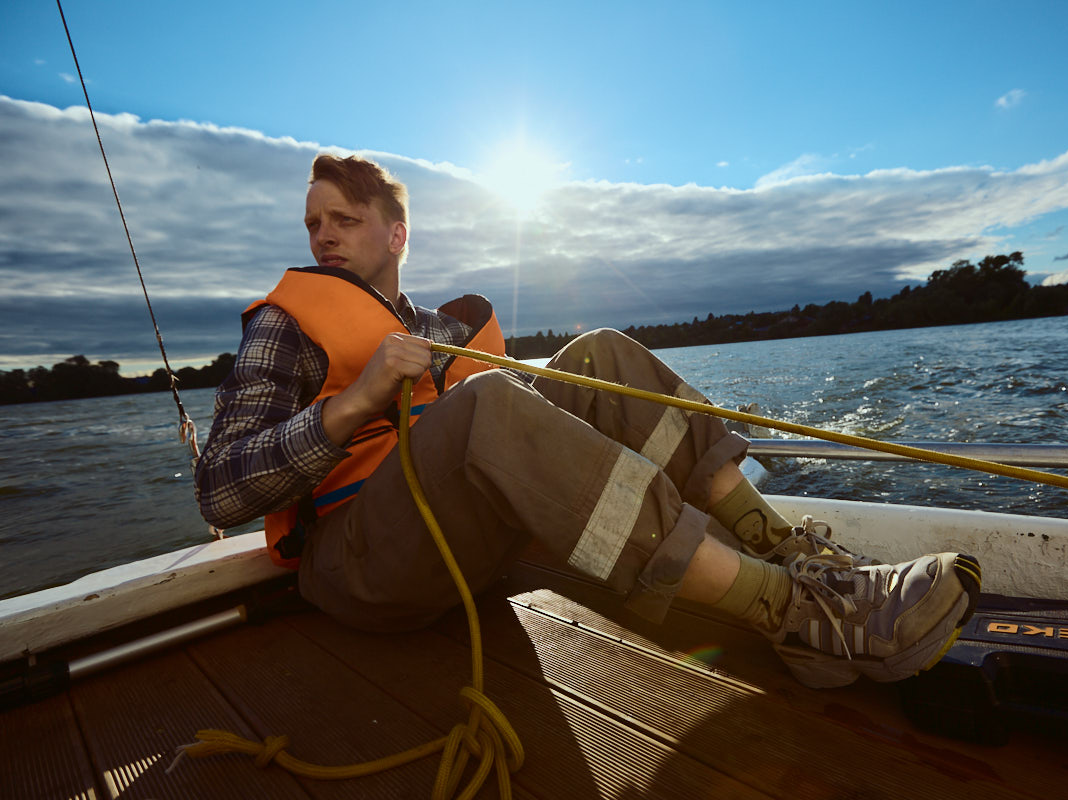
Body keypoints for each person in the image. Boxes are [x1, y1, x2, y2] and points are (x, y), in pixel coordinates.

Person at [194, 154, 981, 690]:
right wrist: (356, 403)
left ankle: (789, 551)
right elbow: (220, 494)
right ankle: (798, 616)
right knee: (487, 404)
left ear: (395, 235)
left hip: (467, 549)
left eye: (342, 220)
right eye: (313, 225)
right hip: (360, 567)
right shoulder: (285, 327)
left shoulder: (438, 329)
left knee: (599, 355)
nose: (322, 237)